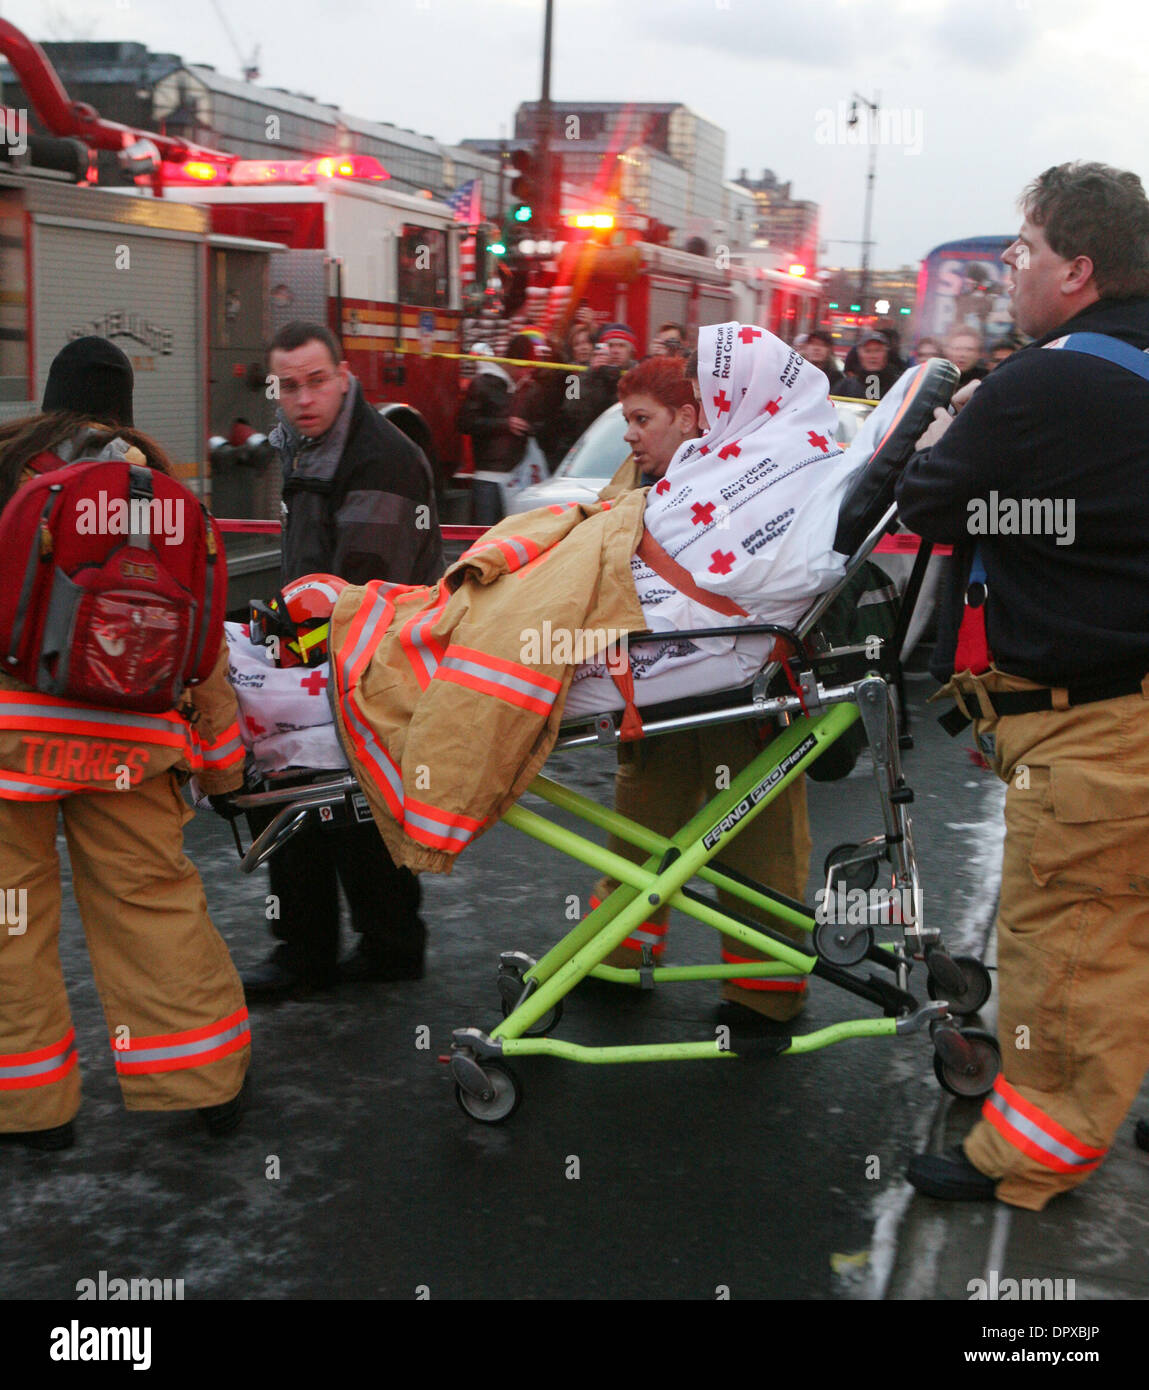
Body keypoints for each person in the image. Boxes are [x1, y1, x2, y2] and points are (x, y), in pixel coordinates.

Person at [897, 161, 1149, 1209]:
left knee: (1066, 946)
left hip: (1091, 726)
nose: (1015, 268)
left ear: (1079, 269)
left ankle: (1033, 1152)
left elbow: (926, 495)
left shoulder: (1045, 382)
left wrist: (956, 423)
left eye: (1027, 250)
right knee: (1128, 924)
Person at [0, 338, 250, 1148]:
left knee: (11, 918)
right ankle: (203, 1082)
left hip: (12, 744)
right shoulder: (167, 495)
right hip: (130, 742)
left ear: (50, 397)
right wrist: (223, 768)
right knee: (153, 905)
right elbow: (202, 645)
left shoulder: (9, 471)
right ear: (126, 411)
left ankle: (30, 1110)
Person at [591, 357, 814, 1022]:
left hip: (739, 699)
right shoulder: (633, 480)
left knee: (757, 846)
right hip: (658, 695)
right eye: (625, 419)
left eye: (641, 420)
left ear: (687, 419)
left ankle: (764, 995)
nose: (629, 434)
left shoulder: (741, 484)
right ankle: (613, 959)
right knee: (638, 833)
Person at [243, 320, 443, 999]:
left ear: (345, 375)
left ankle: (325, 952)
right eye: (288, 386)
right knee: (338, 802)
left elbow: (357, 590)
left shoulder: (377, 458)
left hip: (366, 656)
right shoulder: (311, 446)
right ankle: (374, 946)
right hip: (336, 657)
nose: (303, 398)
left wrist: (289, 654)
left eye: (316, 381)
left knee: (321, 798)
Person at [458, 333, 544, 525]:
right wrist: (505, 424)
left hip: (519, 479)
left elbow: (544, 423)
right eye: (522, 368)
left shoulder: (529, 388)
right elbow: (465, 423)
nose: (525, 373)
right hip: (488, 479)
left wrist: (529, 427)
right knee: (484, 538)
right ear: (511, 363)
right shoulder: (483, 384)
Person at [836, 330, 903, 400]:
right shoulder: (845, 386)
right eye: (868, 351)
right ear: (859, 354)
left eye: (877, 350)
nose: (873, 356)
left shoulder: (900, 385)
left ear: (886, 353)